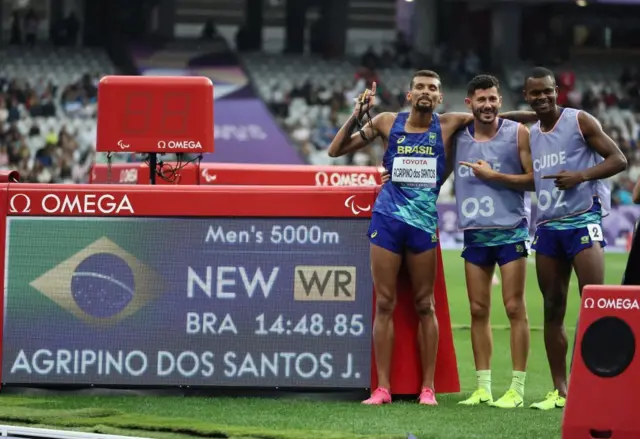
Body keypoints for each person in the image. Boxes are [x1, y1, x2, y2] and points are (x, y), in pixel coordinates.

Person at [327, 70, 536, 405]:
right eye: (420, 87)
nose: (426, 92)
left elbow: (497, 115)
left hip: (423, 223)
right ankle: (382, 388)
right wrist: (356, 114)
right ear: (410, 95)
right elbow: (336, 150)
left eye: (433, 89)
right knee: (384, 304)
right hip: (388, 219)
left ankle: (428, 388)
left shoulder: (450, 123)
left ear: (440, 98)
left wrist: (543, 113)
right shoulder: (385, 121)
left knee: (426, 305)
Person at [506, 67, 626, 410]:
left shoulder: (580, 121)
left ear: (556, 91)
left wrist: (581, 176)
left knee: (595, 304)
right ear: (527, 97)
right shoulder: (531, 133)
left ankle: (597, 383)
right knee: (552, 307)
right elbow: (520, 121)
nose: (542, 97)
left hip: (583, 221)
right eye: (535, 93)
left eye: (547, 91)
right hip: (547, 227)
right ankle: (560, 391)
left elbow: (619, 159)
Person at [452, 75, 533, 409]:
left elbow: (534, 181)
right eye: (481, 99)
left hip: (511, 229)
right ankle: (483, 387)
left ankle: (516, 388)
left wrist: (494, 176)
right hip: (475, 233)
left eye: (493, 99)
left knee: (514, 307)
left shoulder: (518, 133)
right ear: (469, 103)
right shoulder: (457, 137)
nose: (487, 104)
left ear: (501, 101)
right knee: (477, 310)